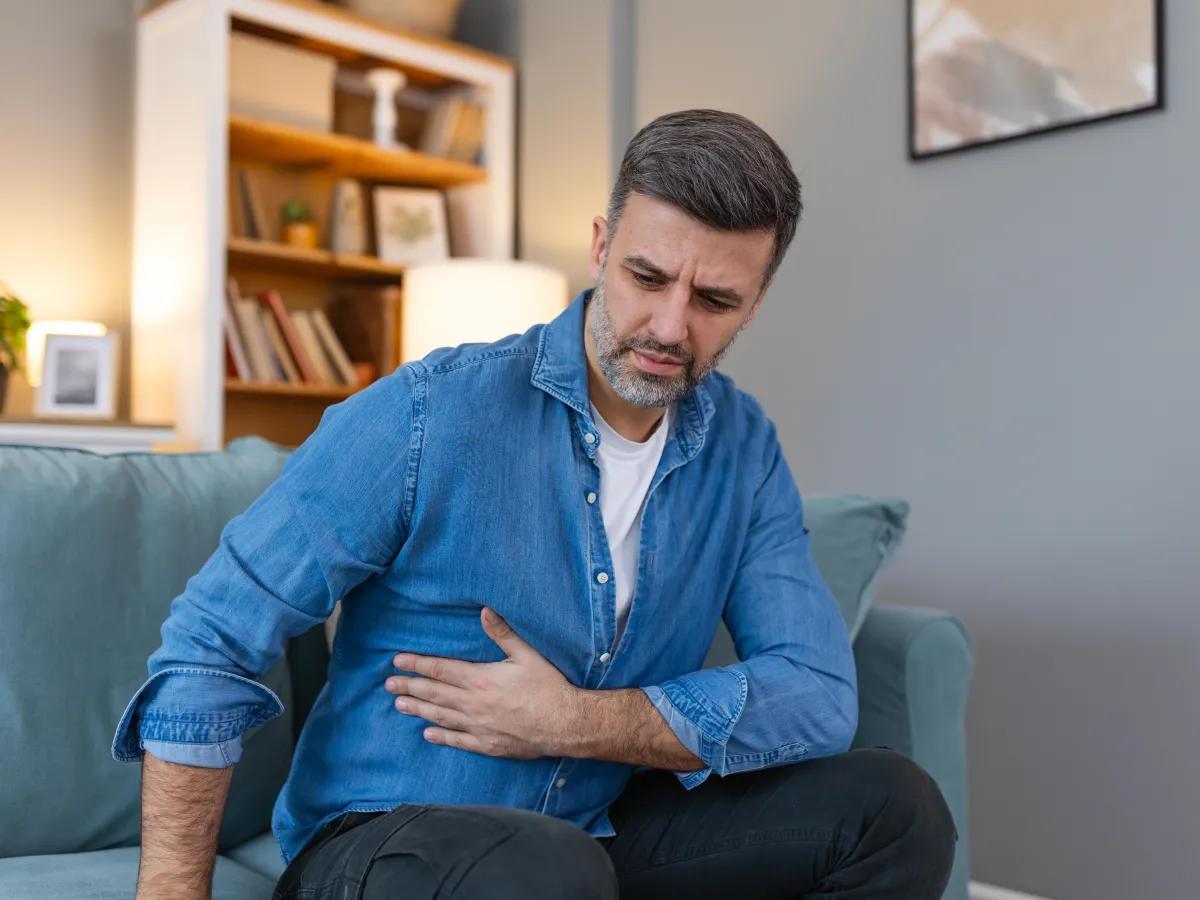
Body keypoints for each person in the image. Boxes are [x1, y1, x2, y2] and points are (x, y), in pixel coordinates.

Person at [113, 109, 956, 900]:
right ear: (601, 246)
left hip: (600, 830)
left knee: (894, 807)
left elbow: (815, 691)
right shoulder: (429, 413)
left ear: (756, 301)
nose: (669, 327)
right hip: (384, 837)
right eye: (647, 276)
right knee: (547, 868)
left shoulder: (743, 446)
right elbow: (211, 642)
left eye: (714, 301)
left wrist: (575, 723)